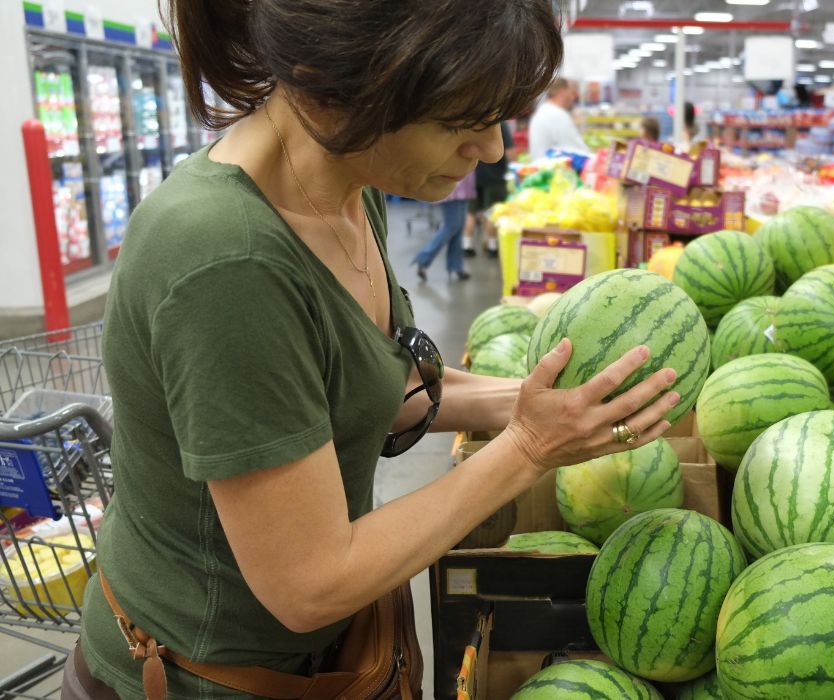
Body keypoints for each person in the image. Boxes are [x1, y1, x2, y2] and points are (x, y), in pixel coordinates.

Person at [67, 1, 680, 698]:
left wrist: (544, 404)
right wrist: (530, 447)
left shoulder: (352, 186)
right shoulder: (226, 261)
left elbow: (370, 385)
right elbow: (310, 582)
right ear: (328, 93)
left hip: (319, 656)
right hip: (209, 674)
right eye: (460, 122)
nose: (493, 150)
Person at [465, 121, 516, 258]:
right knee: (492, 212)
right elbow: (510, 151)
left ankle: (467, 245)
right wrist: (515, 166)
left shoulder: (472, 119)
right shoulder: (500, 123)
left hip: (472, 174)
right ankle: (492, 247)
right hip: (495, 176)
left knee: (471, 211)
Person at [414, 170, 475, 281]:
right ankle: (423, 259)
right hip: (454, 186)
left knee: (459, 227)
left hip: (463, 185)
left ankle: (456, 266)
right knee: (451, 226)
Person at [527, 77, 591, 159]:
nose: (573, 98)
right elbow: (577, 150)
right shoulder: (557, 115)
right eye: (571, 93)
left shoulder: (544, 111)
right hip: (551, 169)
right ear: (561, 93)